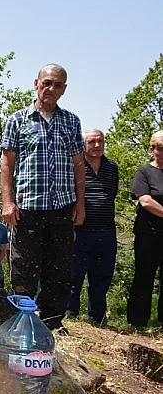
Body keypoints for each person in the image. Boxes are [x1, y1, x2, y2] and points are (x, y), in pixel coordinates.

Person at [0, 64, 86, 331]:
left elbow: (79, 164)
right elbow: (7, 163)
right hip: (27, 207)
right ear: (36, 83)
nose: (51, 88)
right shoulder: (17, 120)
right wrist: (7, 202)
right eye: (47, 83)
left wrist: (80, 204)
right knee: (23, 268)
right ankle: (22, 322)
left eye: (57, 85)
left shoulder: (71, 121)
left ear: (64, 89)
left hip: (62, 206)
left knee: (59, 269)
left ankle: (51, 322)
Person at [67, 129, 119, 325]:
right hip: (80, 231)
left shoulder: (111, 167)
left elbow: (111, 193)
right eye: (92, 142)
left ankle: (96, 318)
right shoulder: (75, 165)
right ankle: (70, 314)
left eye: (100, 141)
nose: (97, 145)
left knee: (102, 276)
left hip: (106, 231)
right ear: (84, 145)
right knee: (74, 275)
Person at [125, 130, 163, 330]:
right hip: (149, 233)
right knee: (144, 277)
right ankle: (137, 322)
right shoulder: (144, 172)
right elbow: (146, 201)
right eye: (160, 148)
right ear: (152, 149)